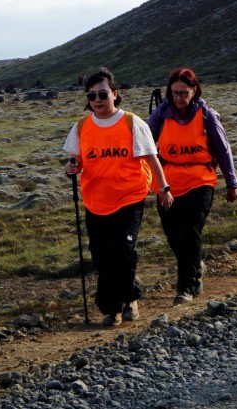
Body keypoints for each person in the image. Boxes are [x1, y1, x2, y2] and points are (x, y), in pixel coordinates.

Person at [63, 69, 174, 325]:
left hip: (129, 197)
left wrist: (163, 188)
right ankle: (111, 308)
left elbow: (151, 159)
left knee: (123, 250)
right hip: (95, 202)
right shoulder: (81, 126)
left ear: (115, 93)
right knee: (102, 255)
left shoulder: (132, 123)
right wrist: (72, 168)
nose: (98, 100)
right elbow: (76, 160)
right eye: (92, 96)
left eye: (103, 94)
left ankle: (130, 300)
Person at [146, 68, 237, 304]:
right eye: (174, 93)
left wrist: (232, 182)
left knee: (190, 232)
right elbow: (144, 141)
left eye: (183, 93)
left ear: (194, 90)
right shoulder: (161, 113)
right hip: (167, 183)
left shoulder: (207, 115)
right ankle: (195, 266)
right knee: (173, 234)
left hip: (201, 180)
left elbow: (223, 149)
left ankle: (185, 287)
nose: (179, 97)